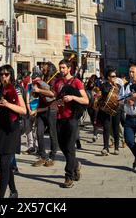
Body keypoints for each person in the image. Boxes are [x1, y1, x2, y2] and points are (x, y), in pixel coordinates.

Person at [0, 64, 26, 198]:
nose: (3, 77)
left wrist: (8, 104)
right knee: (6, 163)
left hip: (12, 129)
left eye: (6, 74)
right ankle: (14, 191)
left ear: (11, 75)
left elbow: (23, 110)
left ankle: (0, 196)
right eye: (1, 74)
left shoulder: (16, 89)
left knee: (3, 164)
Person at [49, 60, 89, 188]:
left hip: (72, 118)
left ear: (69, 68)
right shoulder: (57, 82)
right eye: (60, 68)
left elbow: (85, 100)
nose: (61, 70)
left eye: (63, 68)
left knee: (70, 147)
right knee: (63, 146)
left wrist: (72, 98)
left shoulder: (76, 82)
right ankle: (75, 164)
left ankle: (68, 176)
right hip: (60, 117)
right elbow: (55, 96)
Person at [31, 62, 59, 167]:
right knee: (39, 133)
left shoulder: (54, 79)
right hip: (41, 109)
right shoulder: (44, 78)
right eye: (43, 69)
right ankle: (43, 156)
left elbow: (52, 94)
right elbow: (39, 93)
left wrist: (39, 89)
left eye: (45, 69)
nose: (43, 70)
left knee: (52, 134)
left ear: (50, 69)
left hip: (51, 109)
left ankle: (52, 156)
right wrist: (35, 91)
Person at [97, 68, 122, 156]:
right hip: (106, 110)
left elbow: (121, 96)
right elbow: (105, 92)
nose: (114, 78)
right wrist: (112, 87)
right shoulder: (104, 85)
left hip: (116, 109)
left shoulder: (119, 86)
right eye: (112, 76)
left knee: (116, 128)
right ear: (108, 77)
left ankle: (116, 147)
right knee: (106, 128)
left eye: (115, 76)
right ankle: (105, 147)